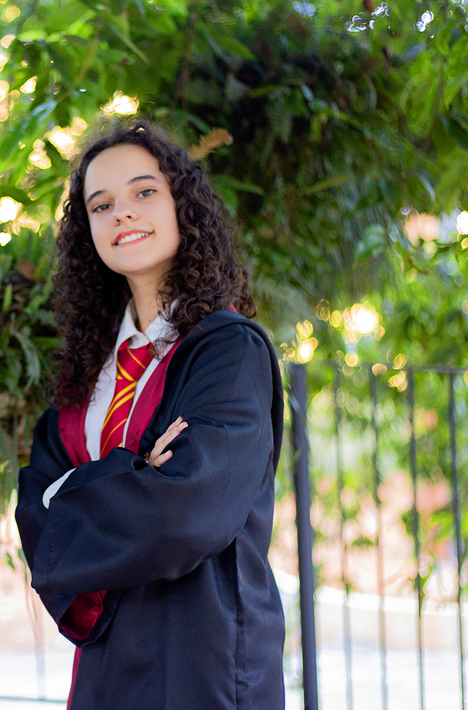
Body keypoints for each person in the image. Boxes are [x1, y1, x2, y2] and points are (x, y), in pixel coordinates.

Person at [15, 119, 286, 710]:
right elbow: (35, 520)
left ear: (181, 206)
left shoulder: (227, 352)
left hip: (203, 657)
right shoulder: (89, 375)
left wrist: (75, 491)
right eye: (101, 204)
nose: (123, 214)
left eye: (144, 192)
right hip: (108, 656)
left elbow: (184, 513)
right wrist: (138, 467)